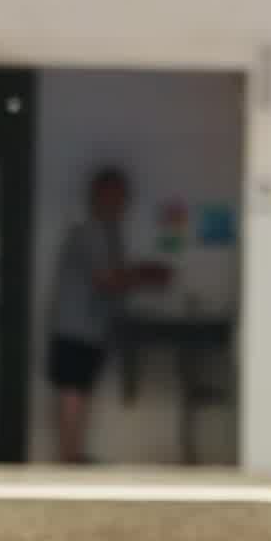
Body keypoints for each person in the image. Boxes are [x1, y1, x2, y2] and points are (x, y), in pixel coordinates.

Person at [44, 167, 169, 466]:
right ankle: (69, 457)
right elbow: (106, 280)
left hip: (91, 329)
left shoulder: (109, 234)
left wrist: (138, 274)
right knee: (72, 390)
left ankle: (74, 454)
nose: (120, 204)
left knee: (81, 390)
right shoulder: (90, 232)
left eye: (123, 198)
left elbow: (113, 278)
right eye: (117, 196)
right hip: (74, 327)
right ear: (100, 196)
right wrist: (145, 275)